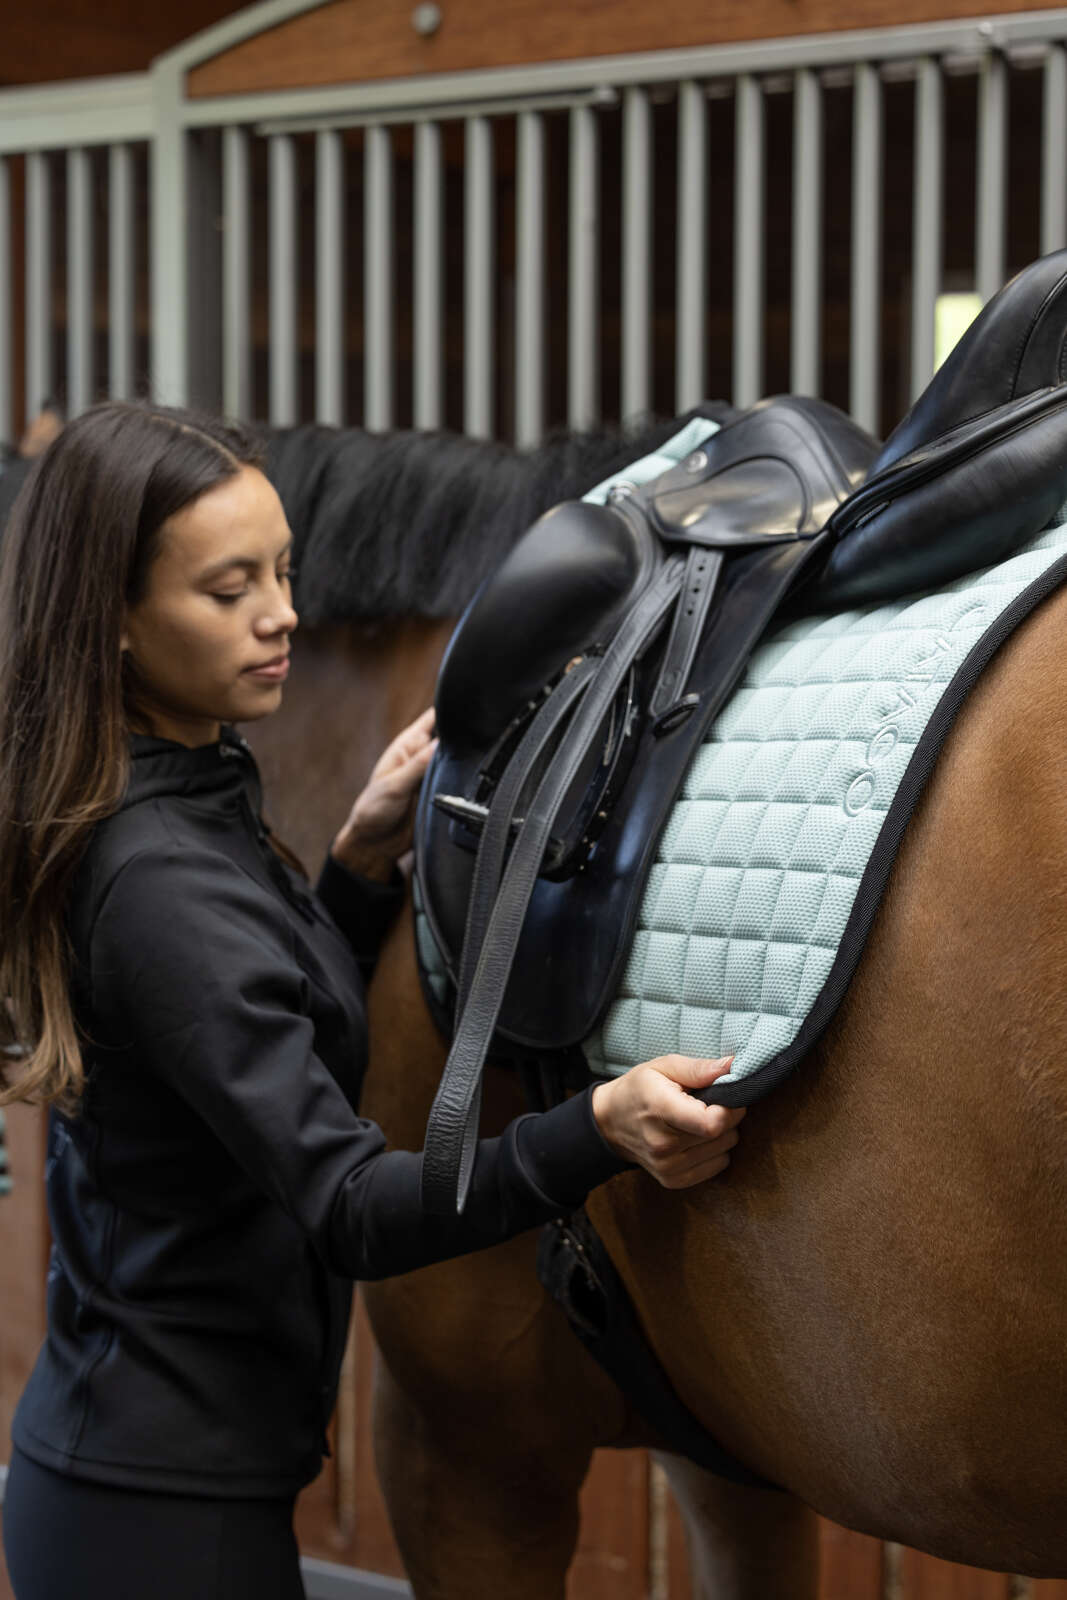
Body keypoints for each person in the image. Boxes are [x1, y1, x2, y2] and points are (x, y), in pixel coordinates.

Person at [0, 402, 744, 1600]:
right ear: (118, 624)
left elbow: (247, 1028)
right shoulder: (158, 879)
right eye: (228, 587)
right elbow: (348, 1204)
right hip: (156, 1522)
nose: (284, 611)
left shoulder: (189, 791)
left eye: (284, 570)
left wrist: (348, 873)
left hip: (160, 1483)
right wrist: (591, 1131)